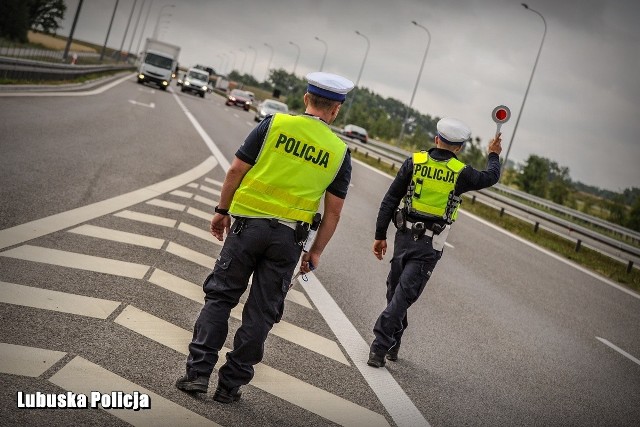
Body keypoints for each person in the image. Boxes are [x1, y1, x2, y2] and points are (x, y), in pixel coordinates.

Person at [176, 71, 354, 403]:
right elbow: (334, 214)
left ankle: (197, 374)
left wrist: (221, 210)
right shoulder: (339, 152)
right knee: (261, 313)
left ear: (306, 99)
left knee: (221, 297)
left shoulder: (272, 125)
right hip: (288, 240)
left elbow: (235, 171)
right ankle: (230, 387)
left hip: (245, 229)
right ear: (336, 110)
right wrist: (315, 253)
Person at [367, 117, 502, 368]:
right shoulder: (461, 173)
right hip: (420, 241)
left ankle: (379, 347)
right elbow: (491, 176)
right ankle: (394, 339)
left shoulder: (415, 163)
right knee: (395, 292)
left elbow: (390, 199)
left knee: (401, 295)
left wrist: (380, 234)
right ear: (459, 147)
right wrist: (493, 154)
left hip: (416, 241)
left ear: (436, 139)